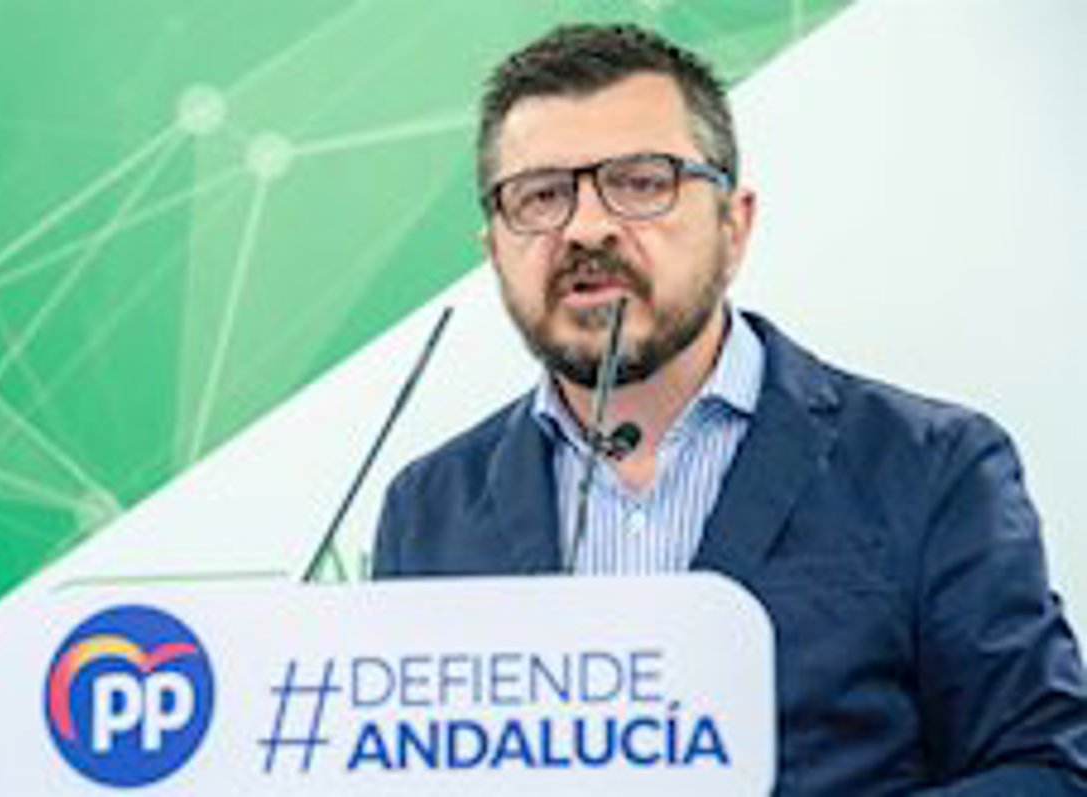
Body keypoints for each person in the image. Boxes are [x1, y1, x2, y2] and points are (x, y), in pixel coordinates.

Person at [372, 22, 1087, 795]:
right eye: (541, 196)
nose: (586, 226)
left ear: (734, 224)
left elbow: (1047, 769)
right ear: (494, 250)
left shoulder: (931, 465)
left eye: (641, 182)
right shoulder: (427, 507)